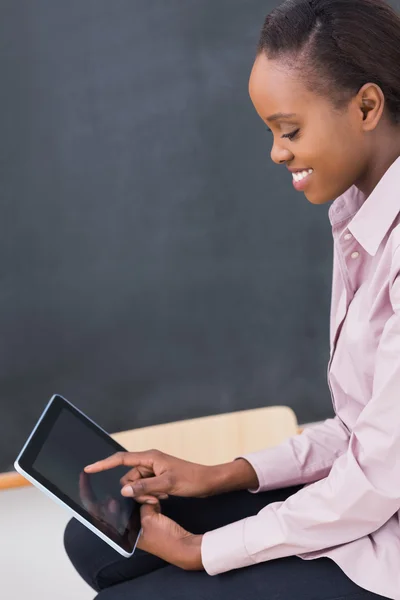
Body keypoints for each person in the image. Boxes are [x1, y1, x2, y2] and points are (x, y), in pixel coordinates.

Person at [63, 0, 400, 597]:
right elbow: (361, 429)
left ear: (367, 107)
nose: (276, 152)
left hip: (386, 546)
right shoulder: (356, 215)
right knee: (94, 536)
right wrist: (221, 475)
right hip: (366, 499)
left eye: (289, 130)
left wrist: (203, 552)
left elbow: (377, 477)